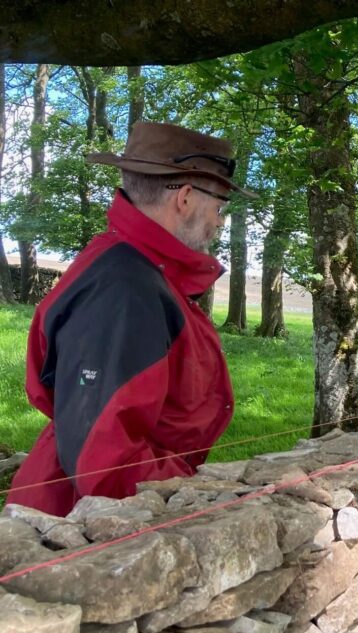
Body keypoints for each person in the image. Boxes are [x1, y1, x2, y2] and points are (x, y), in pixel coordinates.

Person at [7, 121, 255, 516]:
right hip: (77, 529)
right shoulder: (123, 289)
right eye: (220, 207)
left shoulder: (141, 271)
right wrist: (199, 495)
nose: (220, 222)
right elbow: (105, 464)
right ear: (186, 198)